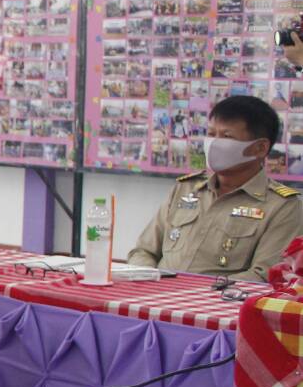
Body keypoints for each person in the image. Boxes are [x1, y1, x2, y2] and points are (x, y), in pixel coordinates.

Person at [127, 95, 301, 280]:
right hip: (156, 296)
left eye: (227, 136)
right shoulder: (185, 188)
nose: (214, 143)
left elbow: (264, 276)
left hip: (222, 304)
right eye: (211, 134)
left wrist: (194, 294)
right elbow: (143, 251)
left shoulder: (282, 206)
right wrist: (147, 278)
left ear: (260, 148)